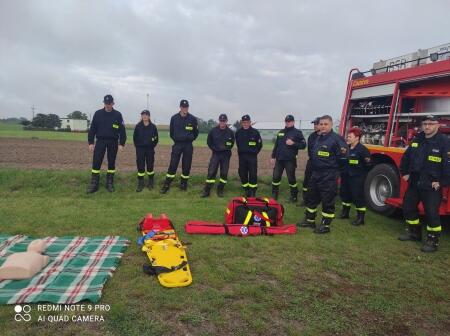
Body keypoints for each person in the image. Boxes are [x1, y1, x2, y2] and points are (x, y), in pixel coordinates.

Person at [399, 115, 450, 252]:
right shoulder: (418, 139)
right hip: (415, 181)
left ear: (437, 125)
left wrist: (442, 181)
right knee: (408, 207)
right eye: (425, 123)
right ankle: (414, 233)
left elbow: (448, 164)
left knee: (432, 213)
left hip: (432, 184)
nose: (427, 126)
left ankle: (433, 241)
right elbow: (406, 157)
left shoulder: (444, 141)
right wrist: (404, 173)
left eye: (431, 124)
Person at [299, 115, 348, 233]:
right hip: (316, 173)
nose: (323, 126)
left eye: (325, 124)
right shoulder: (318, 138)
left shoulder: (337, 139)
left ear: (331, 125)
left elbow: (343, 159)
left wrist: (334, 171)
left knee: (327, 200)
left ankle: (325, 225)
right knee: (311, 197)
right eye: (321, 124)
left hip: (329, 175)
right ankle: (310, 220)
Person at [87, 94, 126, 193]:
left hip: (113, 142)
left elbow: (122, 131)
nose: (108, 105)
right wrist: (91, 142)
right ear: (104, 103)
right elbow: (92, 129)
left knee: (111, 162)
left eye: (109, 103)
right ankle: (94, 184)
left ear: (113, 103)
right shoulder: (98, 114)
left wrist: (122, 143)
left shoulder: (118, 115)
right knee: (96, 161)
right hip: (100, 141)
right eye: (106, 103)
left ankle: (109, 183)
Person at [160, 99, 199, 194]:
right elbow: (171, 132)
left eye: (186, 107)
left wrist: (189, 138)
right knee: (173, 165)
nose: (184, 108)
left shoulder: (193, 119)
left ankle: (183, 184)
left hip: (188, 145)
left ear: (188, 107)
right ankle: (166, 185)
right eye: (183, 107)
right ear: (180, 107)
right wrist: (177, 139)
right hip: (177, 144)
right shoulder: (174, 118)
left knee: (186, 165)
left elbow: (196, 133)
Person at [339, 127, 371, 225]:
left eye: (350, 136)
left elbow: (368, 164)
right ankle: (345, 213)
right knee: (345, 194)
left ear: (357, 138)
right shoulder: (346, 148)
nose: (347, 138)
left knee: (358, 197)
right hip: (346, 176)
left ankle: (360, 218)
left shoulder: (362, 150)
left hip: (357, 177)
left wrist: (360, 173)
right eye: (347, 136)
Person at [270, 115, 306, 202]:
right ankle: (274, 194)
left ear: (293, 122)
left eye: (289, 121)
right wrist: (273, 156)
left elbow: (303, 145)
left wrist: (293, 143)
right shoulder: (281, 132)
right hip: (279, 159)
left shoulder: (298, 132)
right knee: (276, 177)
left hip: (290, 160)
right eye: (286, 121)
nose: (288, 123)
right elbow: (276, 145)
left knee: (291, 178)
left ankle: (294, 196)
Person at [201, 114, 235, 198]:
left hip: (226, 155)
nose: (222, 122)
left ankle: (220, 190)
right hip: (216, 154)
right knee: (211, 172)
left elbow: (231, 143)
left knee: (224, 173)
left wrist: (225, 148)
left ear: (226, 121)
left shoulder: (230, 132)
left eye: (224, 121)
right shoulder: (213, 131)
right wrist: (215, 149)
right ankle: (207, 191)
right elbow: (209, 142)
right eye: (221, 121)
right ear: (219, 121)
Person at [235, 115, 262, 197]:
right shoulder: (238, 132)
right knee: (242, 173)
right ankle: (246, 189)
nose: (245, 124)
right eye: (244, 122)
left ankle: (252, 191)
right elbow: (238, 144)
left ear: (250, 122)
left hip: (252, 157)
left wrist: (254, 152)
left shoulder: (255, 132)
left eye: (247, 122)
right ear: (242, 123)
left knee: (253, 174)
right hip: (242, 157)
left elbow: (259, 145)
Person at [133, 110, 159, 192]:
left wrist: (151, 145)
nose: (144, 117)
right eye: (143, 115)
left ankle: (151, 183)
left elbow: (156, 139)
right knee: (140, 166)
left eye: (146, 115)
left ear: (149, 116)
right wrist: (138, 147)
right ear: (141, 116)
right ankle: (140, 184)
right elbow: (135, 138)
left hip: (150, 149)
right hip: (140, 149)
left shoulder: (153, 127)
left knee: (150, 166)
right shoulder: (138, 126)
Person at [299, 117, 321, 206]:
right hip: (311, 162)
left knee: (319, 183)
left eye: (316, 124)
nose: (315, 126)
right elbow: (310, 150)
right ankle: (305, 199)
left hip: (321, 164)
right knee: (307, 181)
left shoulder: (325, 136)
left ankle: (318, 200)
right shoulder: (312, 136)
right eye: (314, 124)